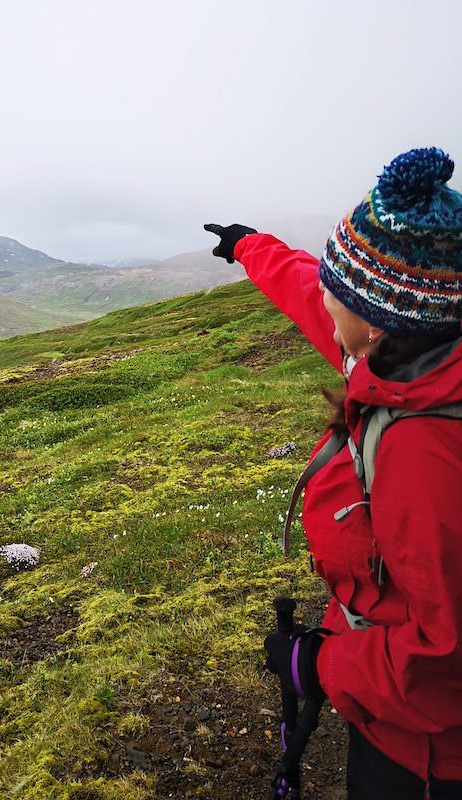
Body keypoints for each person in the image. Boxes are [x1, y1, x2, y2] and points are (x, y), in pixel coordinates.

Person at [205, 146, 462, 799]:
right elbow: (302, 285)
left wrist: (319, 666)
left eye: (337, 292)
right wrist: (249, 247)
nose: (323, 295)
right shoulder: (407, 356)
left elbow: (446, 659)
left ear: (375, 323)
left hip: (427, 757)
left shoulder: (425, 452)